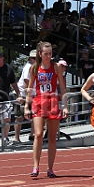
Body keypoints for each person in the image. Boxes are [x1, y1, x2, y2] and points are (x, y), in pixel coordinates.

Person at [24, 42, 68, 177]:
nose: (48, 56)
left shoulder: (56, 67)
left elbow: (62, 87)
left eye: (50, 54)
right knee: (38, 134)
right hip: (39, 102)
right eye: (46, 54)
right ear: (40, 54)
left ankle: (50, 168)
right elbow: (30, 88)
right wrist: (27, 106)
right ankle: (35, 166)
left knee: (52, 137)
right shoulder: (34, 68)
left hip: (53, 102)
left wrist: (65, 106)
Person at [15, 50, 37, 143]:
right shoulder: (28, 67)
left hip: (32, 94)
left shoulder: (36, 67)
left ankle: (32, 134)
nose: (36, 60)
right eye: (34, 58)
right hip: (24, 95)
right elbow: (26, 82)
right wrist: (29, 96)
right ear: (30, 58)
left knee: (35, 115)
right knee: (20, 116)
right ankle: (17, 138)